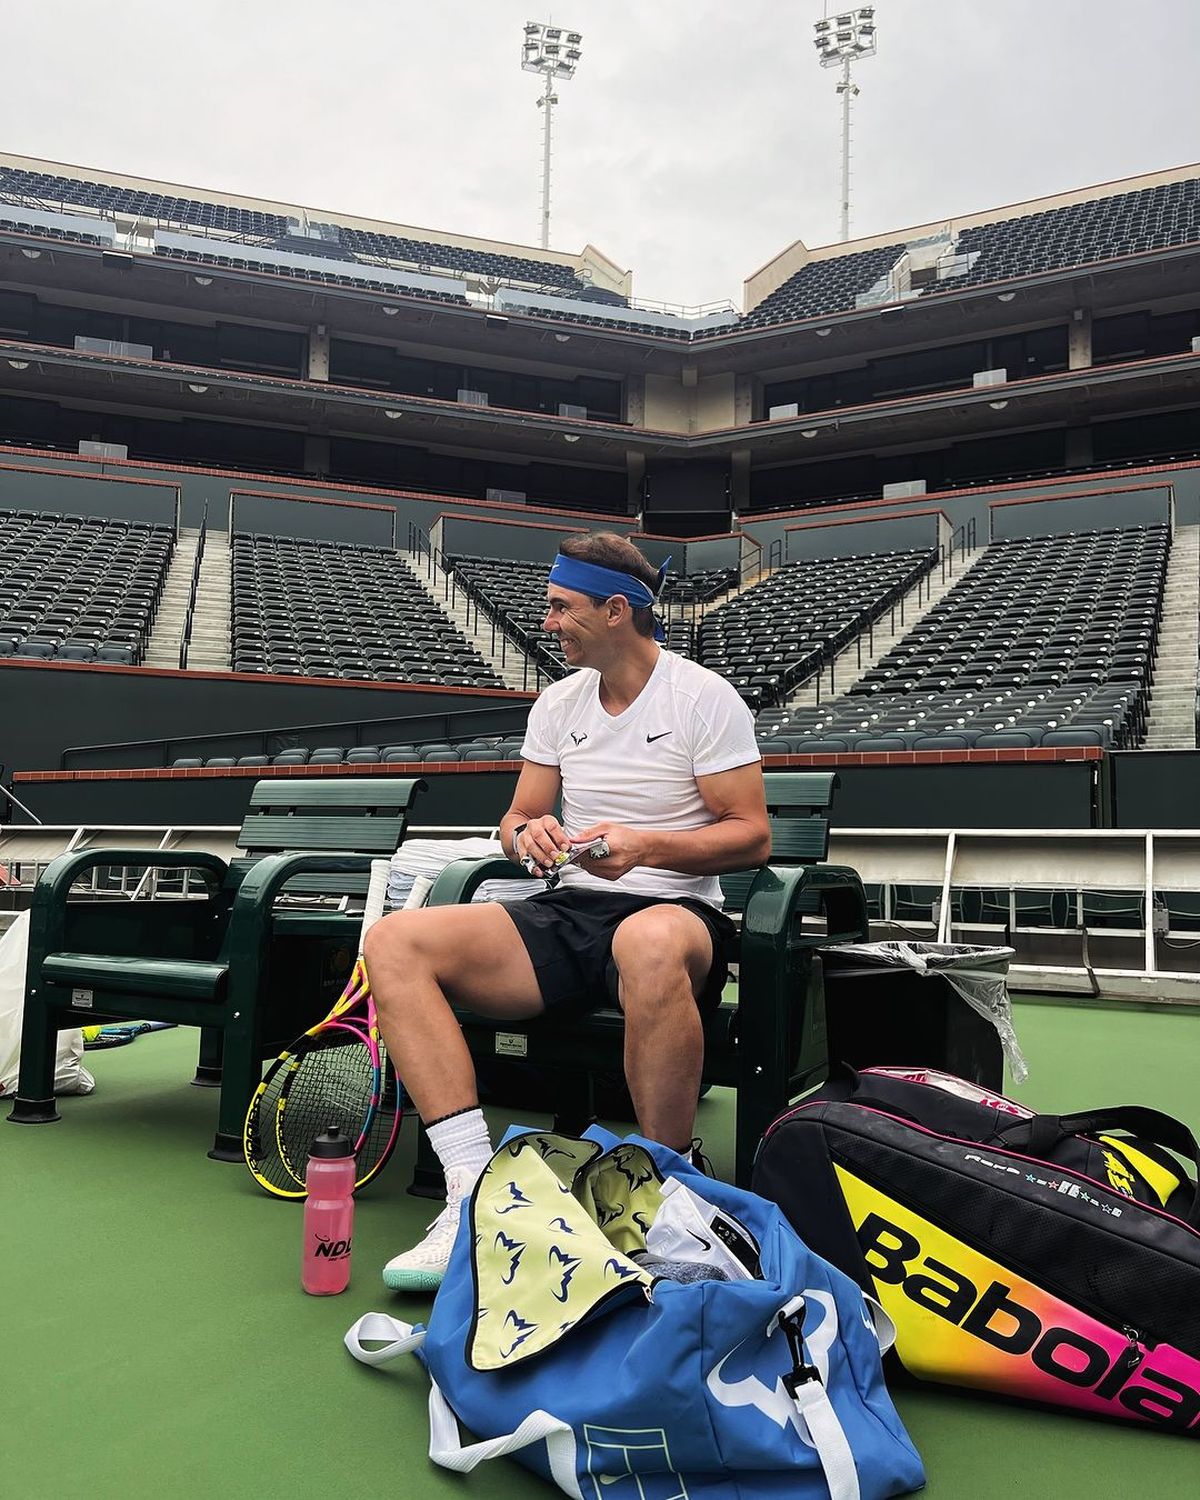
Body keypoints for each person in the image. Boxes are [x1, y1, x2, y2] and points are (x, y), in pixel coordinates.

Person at [365, 531, 770, 1290]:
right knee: (396, 941)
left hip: (674, 913)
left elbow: (751, 836)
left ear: (617, 610)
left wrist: (646, 847)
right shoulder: (557, 702)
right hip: (572, 909)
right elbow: (515, 819)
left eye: (561, 607)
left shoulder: (703, 697)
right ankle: (469, 1193)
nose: (547, 622)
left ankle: (670, 1193)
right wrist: (529, 835)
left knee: (646, 942)